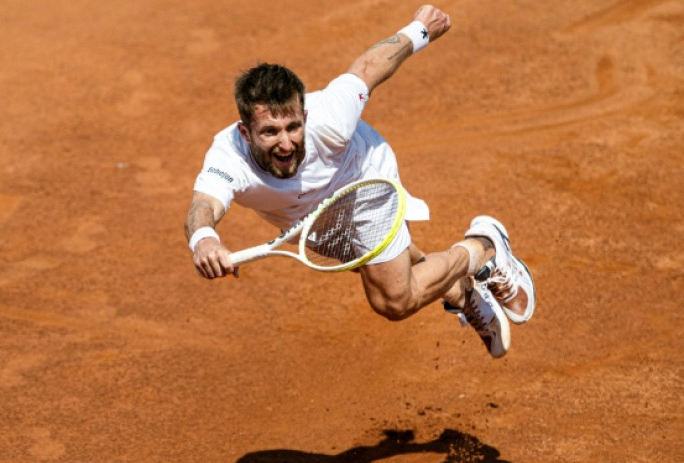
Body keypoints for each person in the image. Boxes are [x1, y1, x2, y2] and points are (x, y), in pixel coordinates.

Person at [183, 5, 535, 357]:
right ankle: (462, 292)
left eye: (293, 127)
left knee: (393, 299)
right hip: (310, 219)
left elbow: (369, 67)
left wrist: (420, 30)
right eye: (270, 132)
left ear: (305, 115)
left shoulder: (330, 118)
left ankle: (483, 248)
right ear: (245, 132)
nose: (287, 143)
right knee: (390, 263)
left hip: (364, 180)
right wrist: (204, 239)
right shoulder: (227, 155)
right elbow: (204, 204)